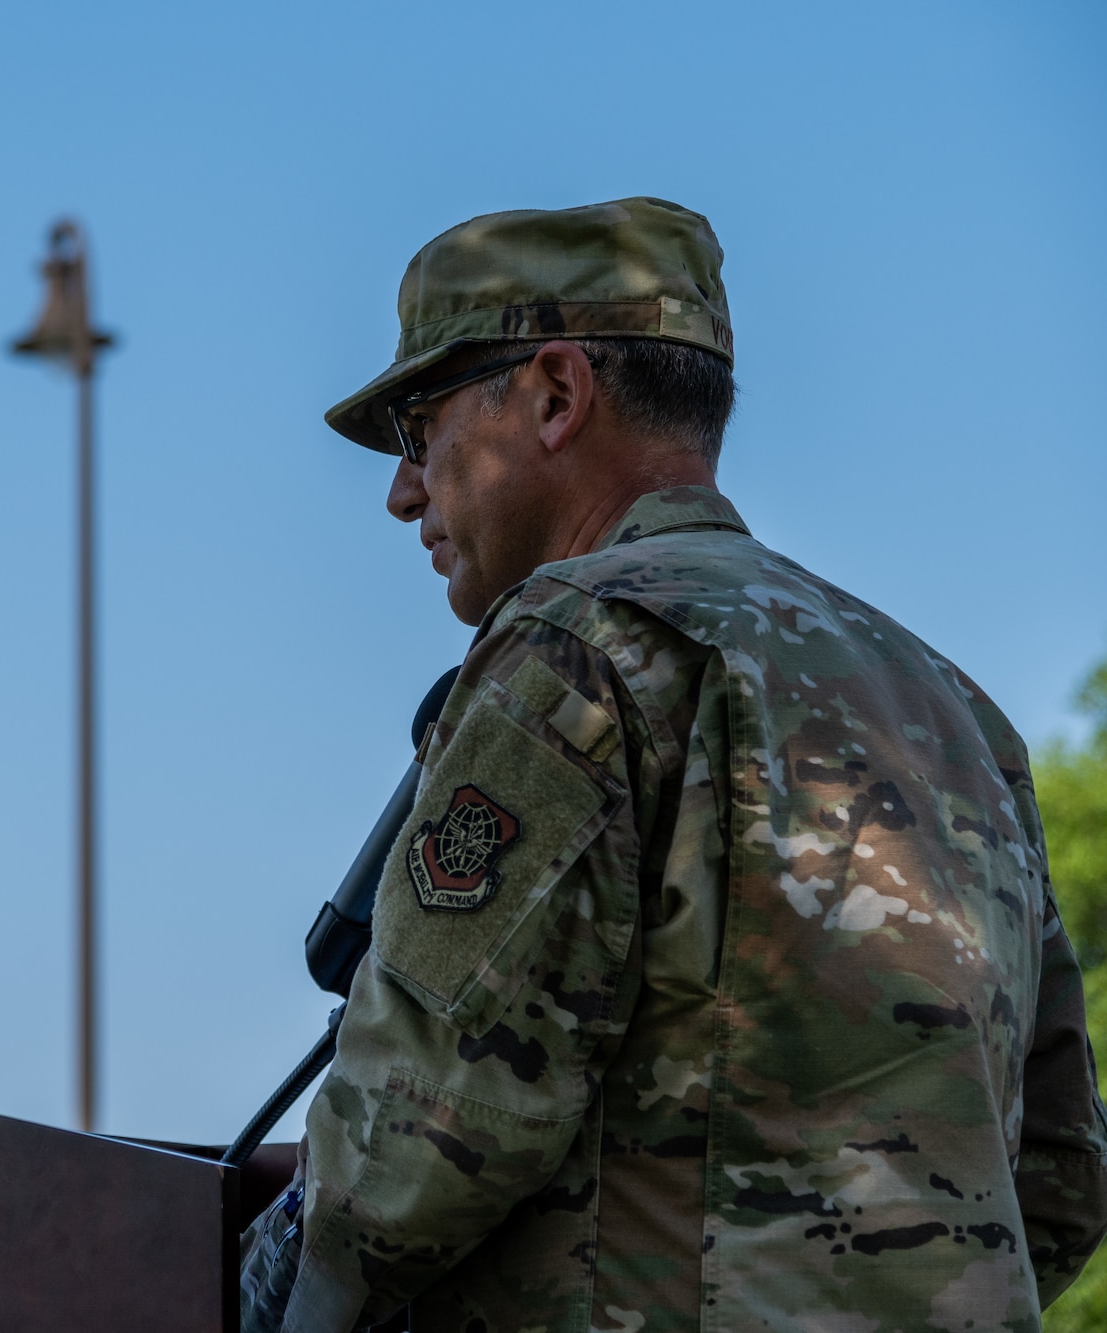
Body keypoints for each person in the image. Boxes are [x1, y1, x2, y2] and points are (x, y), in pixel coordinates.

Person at [239, 198, 1107, 1331]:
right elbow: (1056, 1176)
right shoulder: (952, 710)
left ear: (553, 396)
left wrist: (238, 1284)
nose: (404, 489)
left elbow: (418, 1145)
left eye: (417, 430)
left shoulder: (577, 642)